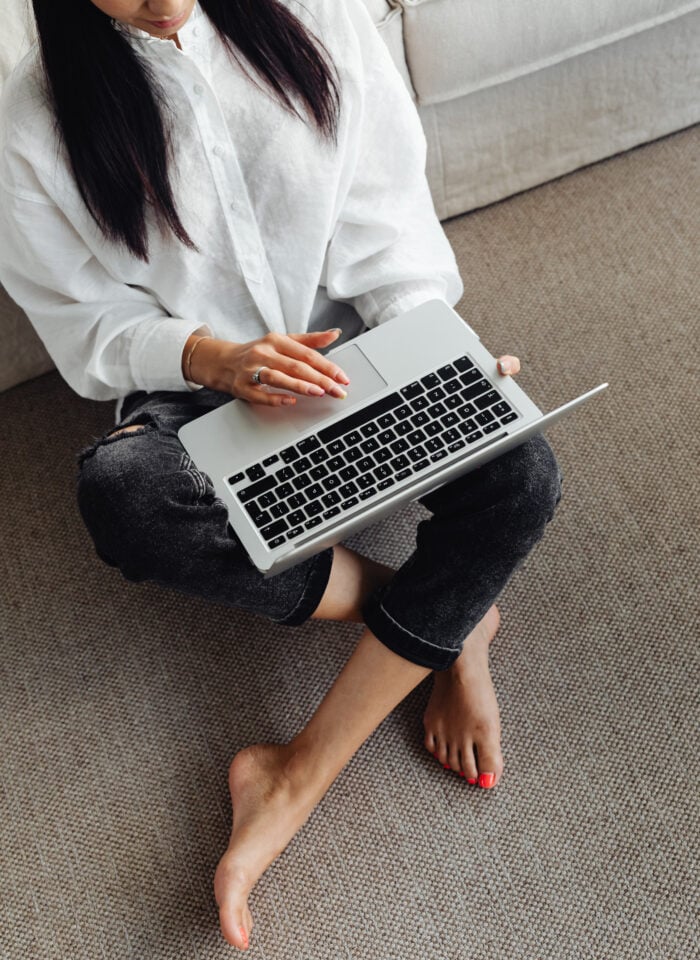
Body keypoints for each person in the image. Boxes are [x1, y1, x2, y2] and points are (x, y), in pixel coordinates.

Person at [0, 0, 563, 950]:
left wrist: (440, 357)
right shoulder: (28, 125)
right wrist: (215, 359)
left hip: (362, 350)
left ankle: (296, 772)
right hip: (203, 385)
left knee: (524, 476)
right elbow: (91, 327)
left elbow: (388, 227)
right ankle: (445, 616)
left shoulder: (318, 17)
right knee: (126, 500)